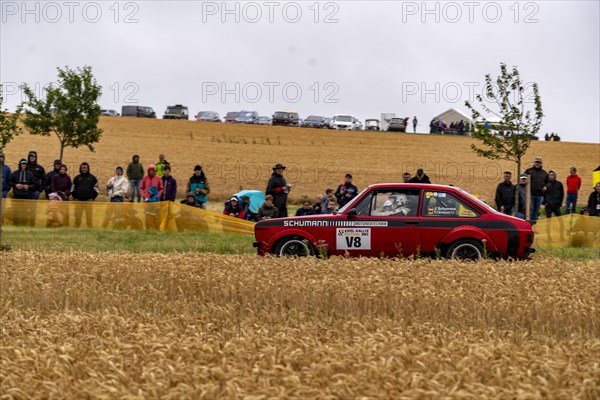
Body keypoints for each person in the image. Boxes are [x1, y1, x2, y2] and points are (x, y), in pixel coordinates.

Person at [71, 162, 99, 228]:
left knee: (89, 215)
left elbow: (96, 189)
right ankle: (76, 227)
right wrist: (74, 197)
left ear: (88, 168)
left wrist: (93, 197)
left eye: (85, 168)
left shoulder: (93, 178)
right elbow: (72, 188)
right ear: (80, 168)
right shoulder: (77, 178)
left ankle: (90, 228)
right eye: (83, 168)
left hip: (89, 200)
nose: (84, 169)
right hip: (78, 200)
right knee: (77, 215)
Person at [524, 156, 549, 223]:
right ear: (534, 162)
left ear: (541, 163)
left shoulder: (544, 173)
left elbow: (548, 183)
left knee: (536, 211)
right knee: (530, 211)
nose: (537, 163)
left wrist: (546, 187)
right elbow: (523, 179)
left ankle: (534, 226)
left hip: (540, 195)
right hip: (531, 195)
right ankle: (529, 225)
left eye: (539, 162)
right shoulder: (529, 171)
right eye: (536, 162)